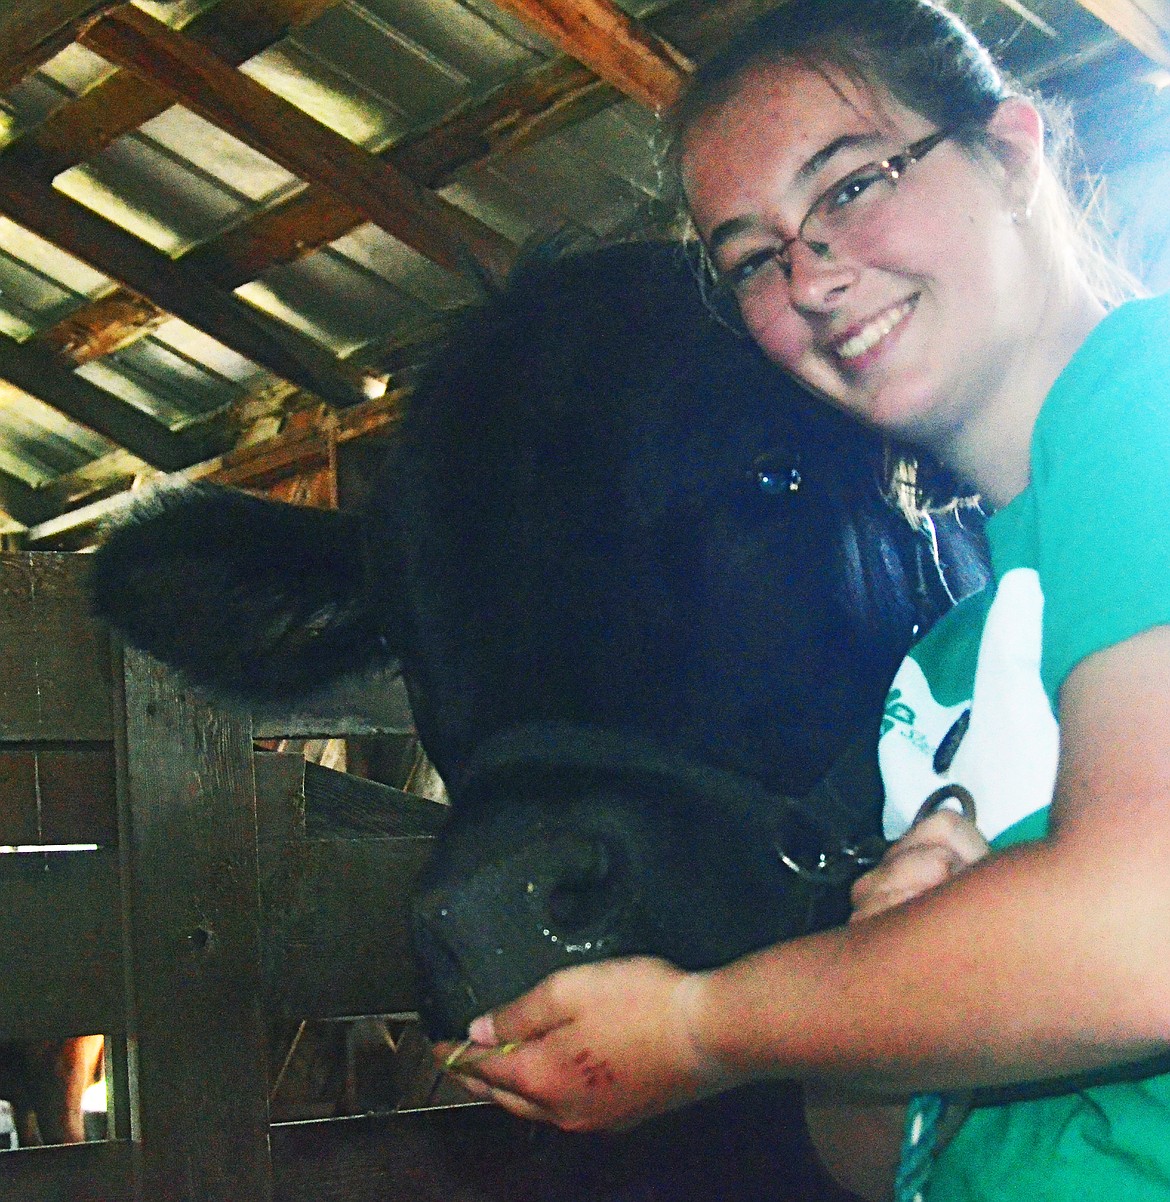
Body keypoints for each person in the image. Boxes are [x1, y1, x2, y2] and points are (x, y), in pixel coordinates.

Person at [432, 2, 1170, 1198]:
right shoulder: (938, 675)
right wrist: (903, 963)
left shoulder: (1147, 393)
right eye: (753, 256)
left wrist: (699, 1029)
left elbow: (1148, 931)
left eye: (848, 186)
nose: (811, 273)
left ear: (1012, 149)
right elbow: (875, 1159)